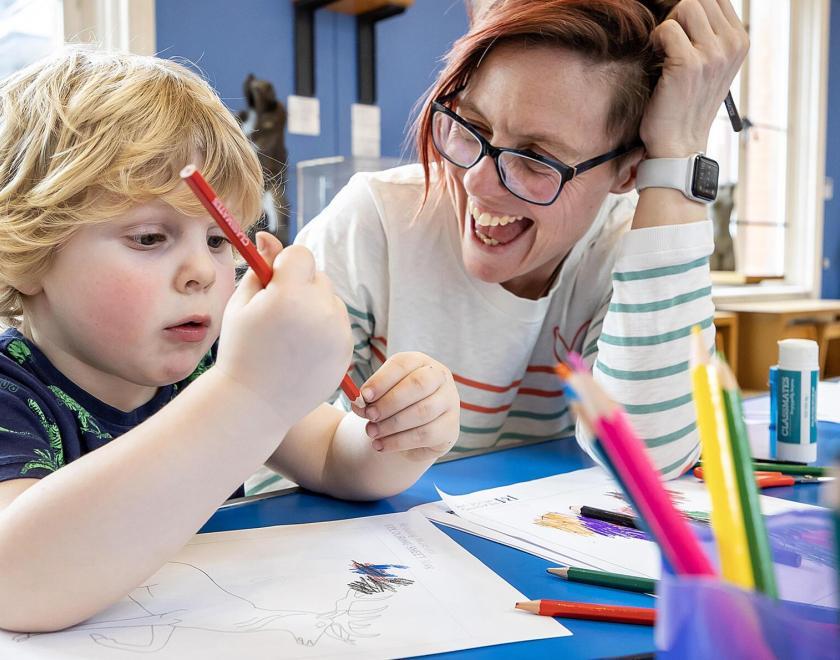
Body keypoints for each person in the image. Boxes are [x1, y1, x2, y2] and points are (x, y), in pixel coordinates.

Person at [0, 48, 460, 633]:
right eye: (148, 237)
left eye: (219, 241)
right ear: (26, 255)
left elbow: (331, 459)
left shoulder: (210, 362)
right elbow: (16, 583)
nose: (200, 270)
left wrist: (400, 436)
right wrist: (250, 393)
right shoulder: (11, 394)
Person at [297, 0, 748, 478]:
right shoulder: (373, 224)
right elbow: (273, 440)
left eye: (536, 159)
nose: (476, 182)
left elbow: (649, 461)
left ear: (630, 171)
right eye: (473, 127)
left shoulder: (629, 250)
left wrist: (678, 153)